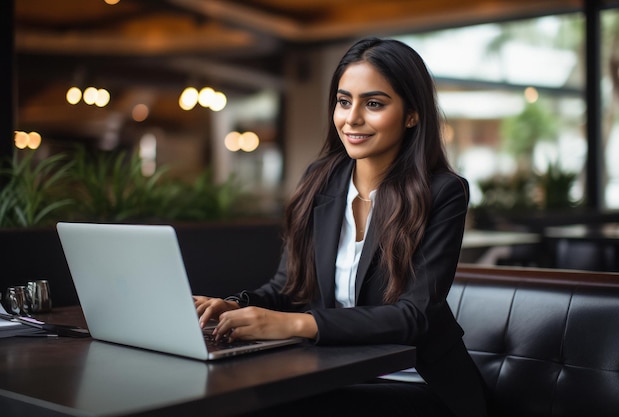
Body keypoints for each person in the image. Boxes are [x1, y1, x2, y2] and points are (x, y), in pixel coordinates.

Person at [194, 37, 488, 417]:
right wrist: (236, 306)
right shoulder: (320, 180)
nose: (352, 118)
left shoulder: (443, 192)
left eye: (375, 104)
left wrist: (293, 325)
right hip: (336, 372)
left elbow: (413, 316)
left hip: (418, 381)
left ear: (412, 114)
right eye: (344, 101)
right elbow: (287, 288)